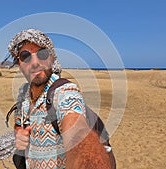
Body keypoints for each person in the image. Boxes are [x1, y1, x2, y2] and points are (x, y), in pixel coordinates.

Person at [8, 29, 112, 169]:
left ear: (51, 59)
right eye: (25, 56)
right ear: (19, 64)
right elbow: (18, 122)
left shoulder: (64, 92)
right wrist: (19, 133)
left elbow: (77, 131)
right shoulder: (23, 95)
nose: (35, 62)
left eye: (42, 54)